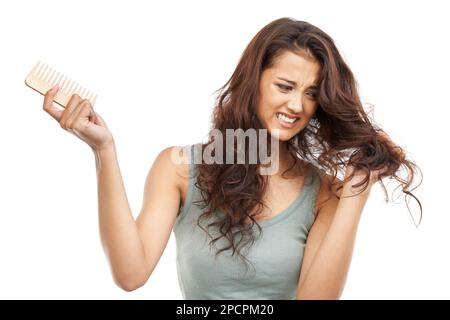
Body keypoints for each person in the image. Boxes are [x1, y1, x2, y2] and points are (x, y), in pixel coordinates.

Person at [41, 17, 422, 299]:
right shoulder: (178, 168)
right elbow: (130, 273)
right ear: (252, 81)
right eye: (285, 86)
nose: (296, 105)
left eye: (310, 93)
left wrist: (354, 199)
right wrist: (103, 150)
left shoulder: (320, 191)